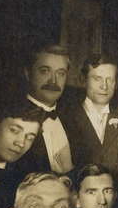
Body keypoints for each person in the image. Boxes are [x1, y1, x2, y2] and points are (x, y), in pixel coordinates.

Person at [63, 53, 118, 208]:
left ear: (116, 83)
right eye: (97, 79)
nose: (104, 86)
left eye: (110, 80)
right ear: (84, 80)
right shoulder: (65, 121)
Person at [14, 44, 74, 175]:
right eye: (45, 71)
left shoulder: (72, 119)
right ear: (28, 74)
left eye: (60, 73)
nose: (53, 81)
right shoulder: (11, 118)